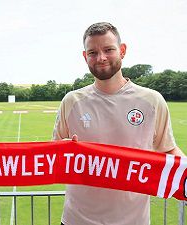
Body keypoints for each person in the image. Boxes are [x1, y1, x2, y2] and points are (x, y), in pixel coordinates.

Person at [53, 22, 185, 225]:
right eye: (93, 52)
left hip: (133, 221)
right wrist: (64, 151)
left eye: (108, 49)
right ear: (85, 56)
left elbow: (169, 151)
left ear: (122, 51)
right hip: (76, 220)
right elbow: (54, 156)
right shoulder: (71, 102)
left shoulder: (152, 101)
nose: (101, 58)